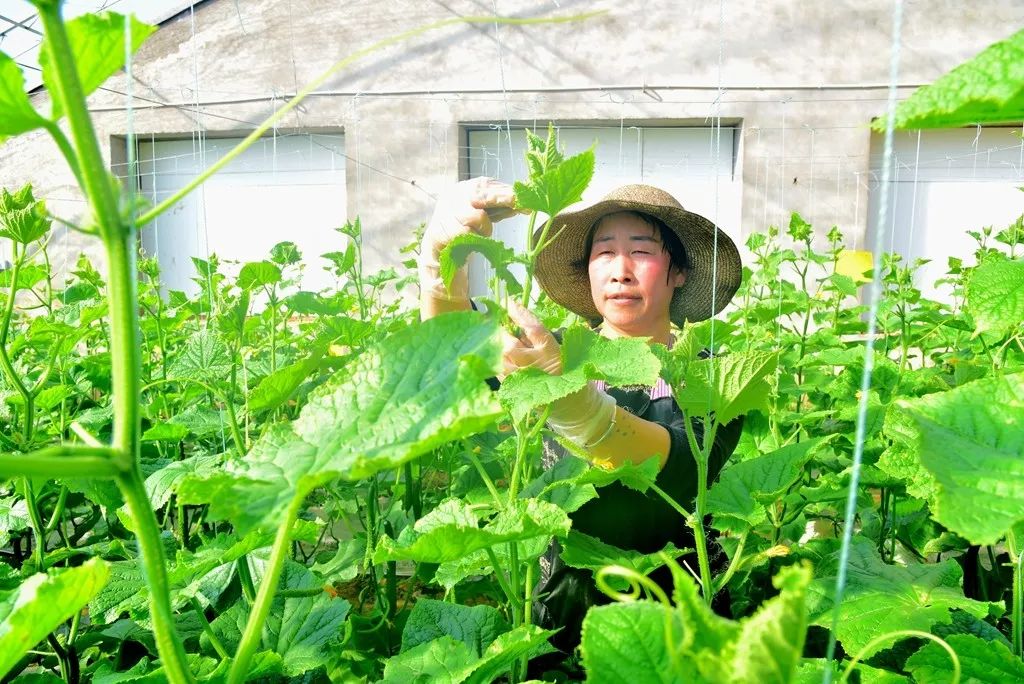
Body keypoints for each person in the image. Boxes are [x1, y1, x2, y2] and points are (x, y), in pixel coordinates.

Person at [418, 177, 744, 663]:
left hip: (684, 614)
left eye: (641, 251)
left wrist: (580, 409)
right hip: (566, 608)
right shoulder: (552, 353)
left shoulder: (717, 375)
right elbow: (453, 353)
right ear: (587, 270)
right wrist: (442, 266)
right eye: (604, 252)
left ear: (678, 271)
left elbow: (679, 468)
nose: (621, 271)